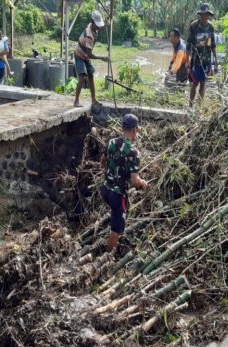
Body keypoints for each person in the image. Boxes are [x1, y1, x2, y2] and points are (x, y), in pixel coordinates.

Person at [99, 114, 149, 252]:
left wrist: (111, 171)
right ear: (134, 130)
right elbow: (134, 181)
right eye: (136, 130)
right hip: (117, 195)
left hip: (105, 190)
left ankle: (111, 242)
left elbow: (103, 161)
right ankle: (108, 258)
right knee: (117, 230)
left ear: (122, 127)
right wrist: (143, 183)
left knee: (116, 214)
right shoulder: (133, 152)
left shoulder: (111, 142)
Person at [73, 11, 110, 108]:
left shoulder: (93, 26)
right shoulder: (89, 36)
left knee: (91, 76)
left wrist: (105, 23)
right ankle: (76, 101)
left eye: (99, 25)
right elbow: (89, 55)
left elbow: (99, 29)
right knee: (82, 78)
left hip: (85, 55)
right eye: (97, 25)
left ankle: (93, 99)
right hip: (80, 55)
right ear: (92, 22)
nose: (98, 27)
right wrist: (102, 57)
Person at [186, 3, 218, 107]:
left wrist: (216, 60)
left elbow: (212, 44)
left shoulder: (210, 27)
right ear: (200, 15)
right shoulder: (194, 26)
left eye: (207, 14)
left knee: (203, 84)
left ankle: (199, 107)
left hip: (206, 59)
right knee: (195, 83)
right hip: (196, 60)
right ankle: (190, 106)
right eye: (203, 14)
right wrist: (187, 61)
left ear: (209, 15)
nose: (205, 16)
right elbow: (188, 45)